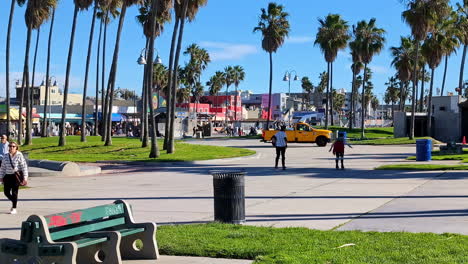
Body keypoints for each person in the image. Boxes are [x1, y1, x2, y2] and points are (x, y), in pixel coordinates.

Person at [0, 141, 28, 214]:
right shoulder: (6, 156)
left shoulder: (19, 155)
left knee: (14, 192)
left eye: (13, 146)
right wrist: (1, 176)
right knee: (6, 192)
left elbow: (24, 167)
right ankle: (14, 201)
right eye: (10, 146)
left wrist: (25, 178)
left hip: (16, 177)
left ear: (16, 147)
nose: (11, 147)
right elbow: (2, 167)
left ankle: (14, 208)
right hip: (7, 176)